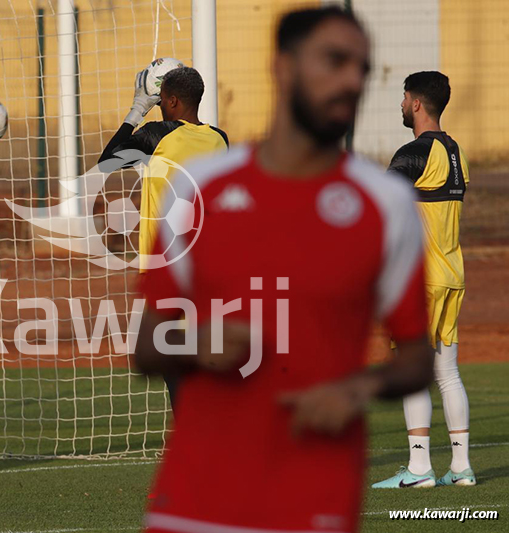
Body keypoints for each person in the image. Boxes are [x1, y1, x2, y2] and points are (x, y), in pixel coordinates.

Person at [134, 7, 434, 533]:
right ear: (283, 68)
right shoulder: (200, 184)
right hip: (195, 500)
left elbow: (416, 359)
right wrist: (197, 343)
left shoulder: (386, 203)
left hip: (314, 496)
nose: (349, 81)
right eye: (333, 62)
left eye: (360, 68)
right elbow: (147, 344)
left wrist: (358, 389)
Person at [99, 66, 228, 409]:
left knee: (172, 351)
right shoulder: (220, 138)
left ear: (171, 101)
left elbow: (106, 163)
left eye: (160, 102)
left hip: (170, 264)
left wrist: (136, 111)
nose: (157, 107)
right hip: (212, 263)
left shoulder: (159, 134)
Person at [372, 71, 474, 489]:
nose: (400, 105)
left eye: (403, 98)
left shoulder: (414, 152)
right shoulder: (457, 152)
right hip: (453, 273)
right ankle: (461, 468)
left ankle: (418, 470)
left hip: (422, 279)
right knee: (447, 372)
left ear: (416, 103)